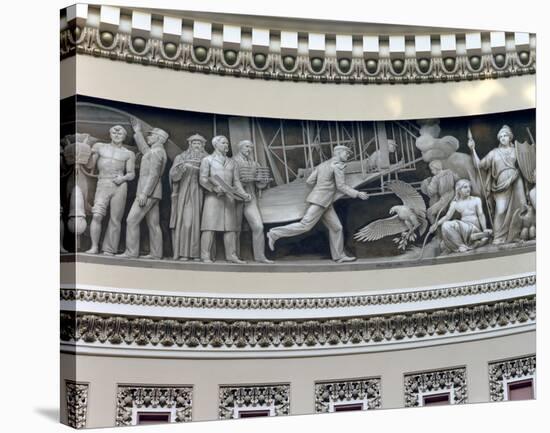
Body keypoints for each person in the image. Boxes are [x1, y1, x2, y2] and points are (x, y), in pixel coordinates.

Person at [267, 145, 369, 262]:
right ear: (339, 153)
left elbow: (310, 181)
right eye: (346, 153)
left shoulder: (322, 165)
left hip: (324, 201)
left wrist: (322, 188)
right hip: (321, 201)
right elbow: (341, 186)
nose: (348, 155)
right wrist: (357, 193)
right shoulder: (338, 166)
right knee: (305, 225)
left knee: (337, 228)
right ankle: (274, 233)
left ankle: (339, 256)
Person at [468, 125, 527, 244]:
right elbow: (479, 165)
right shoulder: (494, 153)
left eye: (505, 135)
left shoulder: (517, 150)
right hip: (501, 182)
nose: (503, 138)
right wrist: (472, 150)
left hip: (516, 180)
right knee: (501, 209)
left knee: (521, 206)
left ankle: (515, 235)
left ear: (510, 137)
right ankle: (499, 237)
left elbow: (525, 164)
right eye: (500, 136)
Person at [118, 119, 168, 259]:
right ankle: (156, 254)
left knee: (131, 220)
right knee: (153, 224)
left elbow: (154, 175)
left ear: (159, 138)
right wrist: (138, 132)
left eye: (151, 135)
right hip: (154, 193)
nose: (149, 137)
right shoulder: (156, 151)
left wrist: (144, 194)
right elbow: (144, 149)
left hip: (148, 192)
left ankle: (131, 252)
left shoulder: (156, 153)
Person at [199, 135, 251, 263]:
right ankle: (205, 256)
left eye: (227, 143)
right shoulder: (208, 160)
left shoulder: (232, 162)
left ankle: (231, 255)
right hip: (213, 198)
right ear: (215, 145)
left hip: (229, 198)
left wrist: (244, 194)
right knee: (209, 227)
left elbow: (236, 181)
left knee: (230, 228)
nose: (226, 145)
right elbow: (203, 179)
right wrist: (214, 188)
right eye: (223, 143)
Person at [85, 125, 135, 255]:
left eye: (120, 134)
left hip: (119, 185)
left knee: (115, 218)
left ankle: (109, 249)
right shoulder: (100, 147)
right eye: (114, 133)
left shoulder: (128, 153)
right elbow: (90, 166)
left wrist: (122, 178)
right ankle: (94, 247)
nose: (117, 135)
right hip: (103, 182)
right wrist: (92, 154)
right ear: (110, 134)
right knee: (97, 214)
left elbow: (131, 174)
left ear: (124, 137)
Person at [169, 134, 209, 261]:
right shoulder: (180, 157)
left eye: (199, 143)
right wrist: (180, 170)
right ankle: (184, 252)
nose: (196, 145)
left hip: (203, 193)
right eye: (194, 143)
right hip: (185, 193)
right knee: (187, 222)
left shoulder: (208, 158)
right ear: (189, 145)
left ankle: (197, 254)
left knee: (202, 224)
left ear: (203, 145)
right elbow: (173, 176)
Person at [233, 140, 273, 263]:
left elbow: (259, 185)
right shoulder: (232, 161)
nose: (249, 149)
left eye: (251, 147)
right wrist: (242, 193)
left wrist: (263, 182)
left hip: (250, 199)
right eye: (247, 146)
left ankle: (259, 256)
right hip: (235, 198)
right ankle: (234, 256)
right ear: (240, 148)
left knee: (258, 227)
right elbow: (233, 180)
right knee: (235, 229)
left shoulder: (255, 164)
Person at [429, 179, 492, 253]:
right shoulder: (455, 203)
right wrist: (436, 224)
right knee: (445, 225)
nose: (468, 189)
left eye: (469, 187)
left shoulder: (476, 200)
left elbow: (481, 215)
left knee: (448, 226)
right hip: (463, 230)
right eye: (465, 187)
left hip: (474, 228)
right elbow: (447, 217)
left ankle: (461, 245)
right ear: (458, 190)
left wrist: (484, 229)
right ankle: (461, 245)